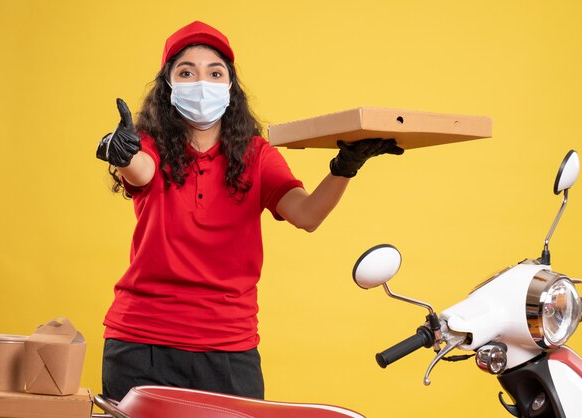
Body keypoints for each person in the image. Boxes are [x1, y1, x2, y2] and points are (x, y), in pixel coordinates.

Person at [96, 20, 403, 401]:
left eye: (215, 72)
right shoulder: (147, 145)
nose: (201, 82)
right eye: (186, 72)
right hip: (143, 343)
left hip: (228, 348)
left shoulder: (257, 155)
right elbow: (141, 170)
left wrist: (345, 168)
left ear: (230, 86)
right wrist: (123, 153)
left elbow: (306, 215)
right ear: (169, 86)